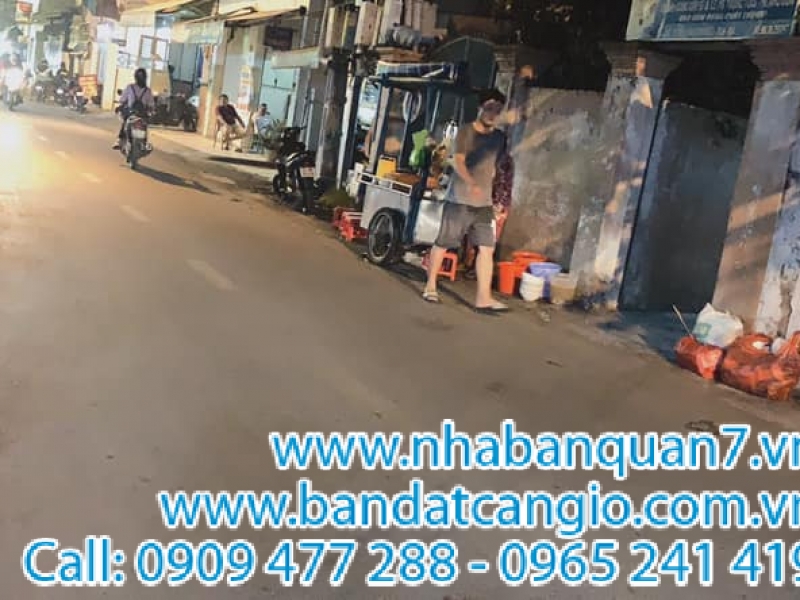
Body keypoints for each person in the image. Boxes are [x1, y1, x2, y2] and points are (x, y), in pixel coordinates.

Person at [423, 88, 509, 314]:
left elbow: (496, 168)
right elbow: (458, 161)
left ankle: (483, 298)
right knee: (444, 242)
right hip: (459, 199)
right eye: (489, 108)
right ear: (480, 108)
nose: (492, 114)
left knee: (487, 248)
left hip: (484, 204)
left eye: (497, 110)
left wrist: (496, 197)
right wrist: (471, 183)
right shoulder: (465, 132)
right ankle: (430, 286)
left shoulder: (500, 138)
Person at [113, 68, 154, 150]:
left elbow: (122, 100)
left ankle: (119, 140)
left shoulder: (130, 87)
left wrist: (120, 106)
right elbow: (151, 104)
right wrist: (150, 110)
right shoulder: (148, 90)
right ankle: (144, 144)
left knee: (125, 122)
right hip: (142, 113)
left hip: (130, 112)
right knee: (144, 125)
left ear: (135, 77)